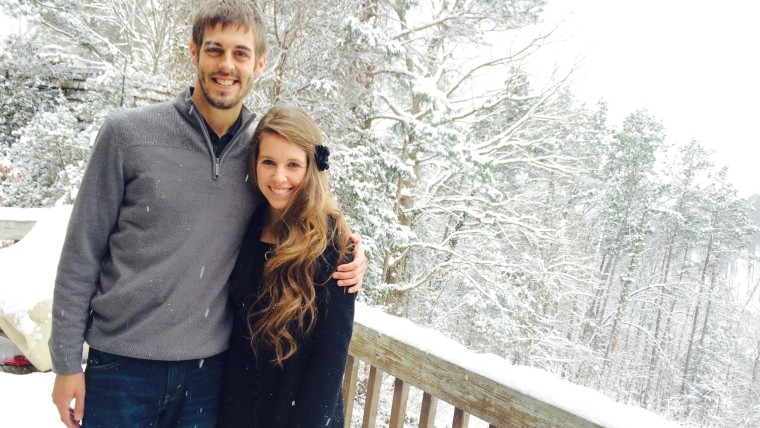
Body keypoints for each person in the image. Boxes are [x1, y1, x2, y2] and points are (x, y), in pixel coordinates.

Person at [49, 2, 365, 427]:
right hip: (122, 368)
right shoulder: (129, 135)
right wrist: (66, 362)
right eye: (215, 50)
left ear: (259, 63)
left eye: (240, 53)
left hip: (210, 377)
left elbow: (304, 199)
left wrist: (349, 249)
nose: (227, 65)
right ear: (194, 52)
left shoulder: (263, 151)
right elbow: (81, 254)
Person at [218, 106, 355, 427]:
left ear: (311, 167)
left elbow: (331, 357)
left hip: (298, 411)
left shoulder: (332, 243)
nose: (279, 177)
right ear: (254, 164)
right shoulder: (248, 225)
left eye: (293, 164)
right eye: (269, 162)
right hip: (238, 408)